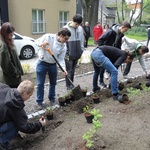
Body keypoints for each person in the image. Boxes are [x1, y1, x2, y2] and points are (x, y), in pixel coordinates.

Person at [0, 80, 46, 150]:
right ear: (25, 93)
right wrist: (39, 124)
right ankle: (2, 141)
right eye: (29, 96)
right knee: (16, 125)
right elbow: (24, 127)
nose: (29, 98)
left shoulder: (4, 87)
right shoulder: (16, 106)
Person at [35, 28, 71, 109]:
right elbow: (36, 41)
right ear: (61, 36)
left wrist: (64, 69)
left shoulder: (64, 46)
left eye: (68, 39)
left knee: (53, 83)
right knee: (40, 84)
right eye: (66, 38)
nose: (66, 40)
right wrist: (42, 44)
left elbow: (61, 59)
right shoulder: (48, 37)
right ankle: (39, 101)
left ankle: (52, 98)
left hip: (52, 64)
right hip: (42, 63)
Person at [98, 21, 131, 89]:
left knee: (111, 66)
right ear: (122, 27)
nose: (125, 31)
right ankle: (101, 81)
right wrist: (102, 49)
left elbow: (118, 45)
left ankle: (111, 83)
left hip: (112, 53)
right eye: (125, 30)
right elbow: (100, 40)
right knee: (102, 67)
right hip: (105, 51)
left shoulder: (121, 35)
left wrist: (117, 53)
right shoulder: (110, 32)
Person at [63, 14, 84, 91]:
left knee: (73, 70)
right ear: (72, 21)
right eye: (76, 24)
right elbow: (63, 43)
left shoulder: (80, 29)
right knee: (69, 71)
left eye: (78, 24)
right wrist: (66, 53)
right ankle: (68, 85)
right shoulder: (66, 29)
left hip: (77, 54)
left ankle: (71, 83)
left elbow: (82, 40)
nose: (77, 26)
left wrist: (81, 51)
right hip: (69, 55)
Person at [0, 22, 24, 88]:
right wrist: (16, 73)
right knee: (13, 97)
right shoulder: (3, 45)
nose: (12, 36)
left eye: (12, 34)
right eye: (10, 34)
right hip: (10, 81)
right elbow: (6, 65)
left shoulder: (8, 40)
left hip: (13, 79)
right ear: (4, 34)